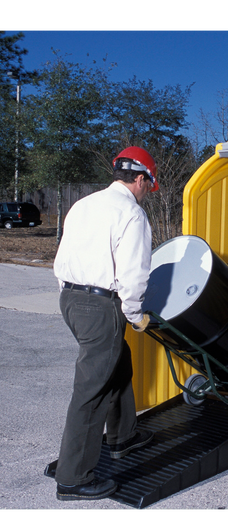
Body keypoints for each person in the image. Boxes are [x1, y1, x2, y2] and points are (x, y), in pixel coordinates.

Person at [53, 146, 158, 502]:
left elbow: (63, 255)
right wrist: (135, 314)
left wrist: (72, 295)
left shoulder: (84, 204)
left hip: (70, 298)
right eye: (149, 185)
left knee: (118, 362)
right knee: (92, 390)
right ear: (141, 179)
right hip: (100, 306)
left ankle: (123, 436)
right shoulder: (131, 213)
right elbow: (134, 272)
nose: (147, 192)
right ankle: (73, 478)